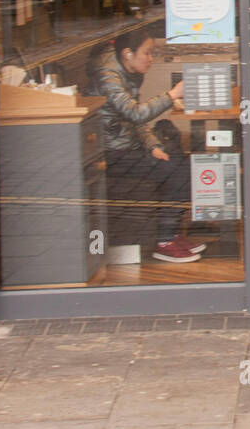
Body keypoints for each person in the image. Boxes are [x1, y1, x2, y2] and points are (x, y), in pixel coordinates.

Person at [86, 28, 206, 263]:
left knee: (183, 163)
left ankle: (171, 235)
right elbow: (135, 112)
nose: (151, 59)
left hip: (124, 146)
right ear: (128, 54)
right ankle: (165, 241)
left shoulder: (125, 71)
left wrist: (152, 146)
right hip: (107, 152)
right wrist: (172, 95)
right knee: (180, 169)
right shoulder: (108, 75)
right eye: (147, 53)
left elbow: (133, 118)